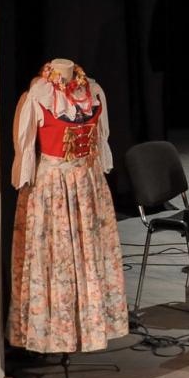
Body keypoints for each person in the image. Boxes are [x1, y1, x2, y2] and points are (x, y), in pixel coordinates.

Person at [8, 59, 128, 353]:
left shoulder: (94, 91)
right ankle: (52, 334)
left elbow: (101, 140)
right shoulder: (38, 95)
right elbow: (25, 146)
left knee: (89, 257)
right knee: (56, 258)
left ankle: (88, 330)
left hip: (87, 184)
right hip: (53, 187)